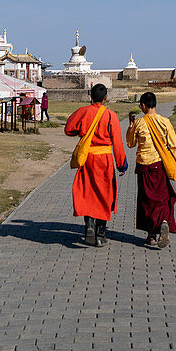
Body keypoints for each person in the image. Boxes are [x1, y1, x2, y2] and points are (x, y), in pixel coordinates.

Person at [64, 83, 127, 246]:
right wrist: (121, 164)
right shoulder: (111, 115)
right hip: (104, 159)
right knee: (104, 194)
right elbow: (118, 143)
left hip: (87, 158)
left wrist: (82, 132)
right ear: (106, 98)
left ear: (90, 96)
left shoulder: (83, 112)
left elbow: (68, 129)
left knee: (88, 192)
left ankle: (89, 226)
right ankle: (100, 234)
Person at [126, 92, 176, 248]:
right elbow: (174, 144)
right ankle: (164, 221)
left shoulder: (139, 123)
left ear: (143, 105)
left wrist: (131, 124)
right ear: (155, 104)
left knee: (146, 200)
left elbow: (130, 143)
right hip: (159, 165)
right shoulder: (165, 122)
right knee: (163, 197)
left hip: (143, 165)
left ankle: (150, 235)